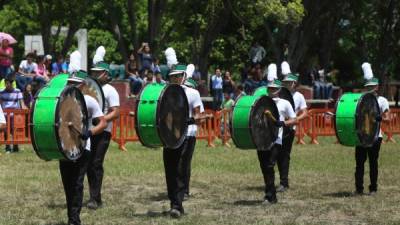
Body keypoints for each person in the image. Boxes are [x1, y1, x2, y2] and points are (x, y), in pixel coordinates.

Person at [60, 72, 107, 225]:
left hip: (82, 148)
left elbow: (103, 123)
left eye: (74, 83)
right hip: (65, 147)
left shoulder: (89, 101)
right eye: (69, 83)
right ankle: (71, 217)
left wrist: (91, 132)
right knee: (68, 183)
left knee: (77, 183)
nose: (70, 86)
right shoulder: (61, 101)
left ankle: (74, 220)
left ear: (83, 85)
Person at [163, 66, 204, 218]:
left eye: (178, 76)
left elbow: (199, 117)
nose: (175, 79)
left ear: (184, 76)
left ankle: (177, 205)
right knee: (170, 170)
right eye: (173, 76)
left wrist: (188, 121)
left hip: (188, 135)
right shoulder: (165, 94)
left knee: (181, 169)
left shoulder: (193, 93)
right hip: (169, 136)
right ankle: (174, 202)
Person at [87, 62, 120, 209]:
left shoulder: (110, 90)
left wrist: (101, 120)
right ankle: (95, 197)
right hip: (89, 131)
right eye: (93, 72)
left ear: (106, 74)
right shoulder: (89, 89)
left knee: (96, 163)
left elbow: (115, 112)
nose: (94, 75)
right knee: (88, 164)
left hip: (103, 132)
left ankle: (94, 198)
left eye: (98, 72)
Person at [258, 79, 296, 204]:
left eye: (274, 88)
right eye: (270, 88)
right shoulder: (261, 102)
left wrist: (283, 123)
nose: (271, 90)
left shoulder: (285, 103)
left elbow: (294, 120)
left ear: (279, 90)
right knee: (264, 167)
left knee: (269, 165)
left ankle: (269, 196)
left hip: (276, 139)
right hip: (261, 139)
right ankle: (271, 194)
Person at [355, 64, 390, 195]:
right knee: (359, 163)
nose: (370, 89)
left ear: (377, 87)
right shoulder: (360, 100)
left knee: (373, 163)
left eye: (372, 87)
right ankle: (358, 189)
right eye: (368, 87)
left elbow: (387, 118)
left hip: (375, 136)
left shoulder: (382, 100)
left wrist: (378, 118)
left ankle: (373, 188)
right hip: (361, 135)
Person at [279, 73, 308, 192]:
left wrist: (296, 119)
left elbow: (305, 112)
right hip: (278, 128)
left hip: (290, 129)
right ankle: (282, 180)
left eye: (289, 83)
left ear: (294, 84)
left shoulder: (299, 96)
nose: (286, 84)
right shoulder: (279, 94)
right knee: (276, 155)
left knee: (285, 155)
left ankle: (283, 182)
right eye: (285, 82)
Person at [0, 75, 27, 153]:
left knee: (14, 131)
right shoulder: (1, 92)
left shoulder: (17, 91)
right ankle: (7, 147)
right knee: (5, 131)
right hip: (4, 115)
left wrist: (25, 108)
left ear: (12, 84)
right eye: (6, 83)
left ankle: (15, 147)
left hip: (15, 115)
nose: (7, 85)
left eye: (8, 83)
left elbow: (22, 103)